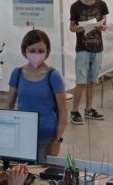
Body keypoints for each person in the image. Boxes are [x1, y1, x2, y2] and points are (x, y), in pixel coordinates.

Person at [6, 30, 68, 163]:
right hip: (22, 134)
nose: (36, 54)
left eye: (41, 51)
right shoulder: (17, 73)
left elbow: (63, 112)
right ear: (24, 51)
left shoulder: (53, 76)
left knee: (42, 172)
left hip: (46, 137)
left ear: (47, 51)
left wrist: (58, 140)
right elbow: (8, 106)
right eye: (32, 50)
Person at [69, 0, 108, 125]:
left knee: (92, 81)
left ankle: (89, 108)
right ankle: (74, 111)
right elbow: (71, 27)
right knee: (81, 82)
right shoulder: (75, 6)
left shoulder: (102, 4)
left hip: (97, 47)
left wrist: (102, 27)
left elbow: (105, 24)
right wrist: (77, 28)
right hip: (82, 48)